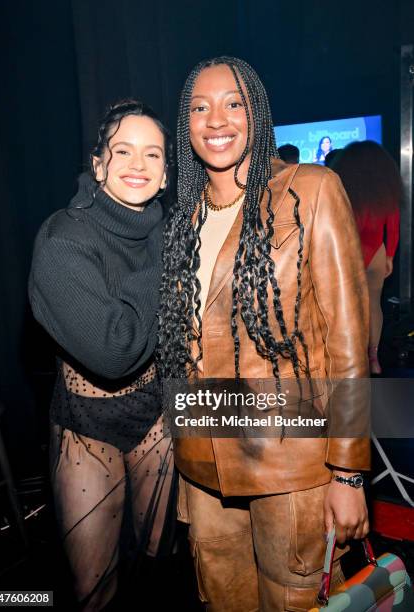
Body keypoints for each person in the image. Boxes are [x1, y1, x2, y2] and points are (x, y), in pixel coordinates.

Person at [157, 57, 370, 612]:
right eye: (199, 107)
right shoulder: (185, 216)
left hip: (292, 466)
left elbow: (347, 342)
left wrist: (348, 473)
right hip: (204, 472)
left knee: (295, 603)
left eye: (234, 102)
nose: (216, 119)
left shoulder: (312, 190)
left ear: (257, 112)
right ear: (186, 123)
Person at [29, 100, 175, 611]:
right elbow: (116, 351)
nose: (137, 164)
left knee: (158, 569)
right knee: (94, 589)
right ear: (98, 165)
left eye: (152, 154)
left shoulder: (167, 228)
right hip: (87, 423)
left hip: (155, 411)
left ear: (164, 175)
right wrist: (170, 258)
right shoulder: (63, 238)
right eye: (123, 151)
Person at [329, 140, 401, 374]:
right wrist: (389, 254)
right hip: (377, 250)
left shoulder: (343, 184)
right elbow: (393, 224)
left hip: (349, 249)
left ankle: (352, 354)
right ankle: (373, 357)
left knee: (347, 305)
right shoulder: (385, 188)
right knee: (374, 305)